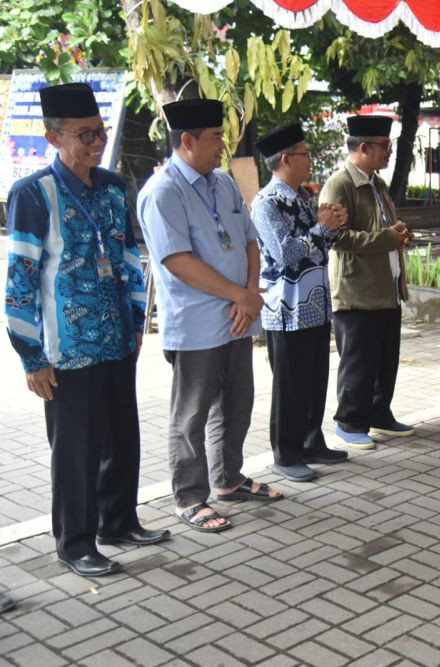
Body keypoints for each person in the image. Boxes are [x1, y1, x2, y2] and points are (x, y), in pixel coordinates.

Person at [4, 83, 169, 577]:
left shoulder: (116, 187)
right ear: (53, 138)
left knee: (123, 436)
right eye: (83, 135)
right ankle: (74, 543)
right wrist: (31, 356)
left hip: (117, 338)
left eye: (100, 132)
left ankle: (118, 521)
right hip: (65, 350)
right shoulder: (32, 194)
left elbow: (126, 258)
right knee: (75, 451)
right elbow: (20, 280)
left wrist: (137, 323)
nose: (95, 142)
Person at [138, 98, 283, 534]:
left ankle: (228, 479)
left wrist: (249, 296)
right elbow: (178, 261)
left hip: (239, 315)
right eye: (216, 137)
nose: (223, 144)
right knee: (192, 414)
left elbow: (250, 240)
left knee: (237, 403)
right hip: (197, 323)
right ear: (187, 141)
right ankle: (189, 496)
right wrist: (240, 295)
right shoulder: (163, 191)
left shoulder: (221, 182)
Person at [251, 123, 350, 482]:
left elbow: (320, 246)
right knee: (289, 385)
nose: (310, 160)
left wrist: (333, 225)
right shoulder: (266, 203)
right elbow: (285, 254)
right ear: (287, 159)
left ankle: (311, 441)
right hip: (286, 309)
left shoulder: (304, 198)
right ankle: (286, 452)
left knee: (313, 379)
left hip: (315, 304)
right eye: (305, 154)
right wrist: (322, 228)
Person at [318, 115, 414, 450]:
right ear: (363, 147)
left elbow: (385, 228)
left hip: (386, 288)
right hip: (356, 290)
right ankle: (349, 422)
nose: (389, 152)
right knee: (358, 361)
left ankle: (379, 413)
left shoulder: (377, 183)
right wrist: (385, 238)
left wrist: (400, 235)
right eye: (385, 146)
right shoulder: (339, 185)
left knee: (385, 358)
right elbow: (336, 237)